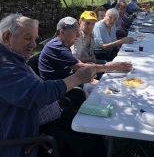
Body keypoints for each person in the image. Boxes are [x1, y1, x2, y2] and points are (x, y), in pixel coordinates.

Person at [0, 14, 101, 157]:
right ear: (6, 38)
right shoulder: (4, 66)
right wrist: (78, 78)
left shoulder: (15, 58)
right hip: (34, 135)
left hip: (54, 119)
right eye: (28, 38)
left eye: (35, 39)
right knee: (90, 147)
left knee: (94, 133)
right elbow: (37, 94)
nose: (34, 45)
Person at [39, 16, 132, 91]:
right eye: (75, 32)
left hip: (67, 80)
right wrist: (114, 66)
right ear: (62, 32)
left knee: (108, 84)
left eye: (79, 32)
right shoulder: (57, 47)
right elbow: (82, 67)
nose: (79, 35)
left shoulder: (62, 43)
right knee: (106, 89)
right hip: (57, 89)